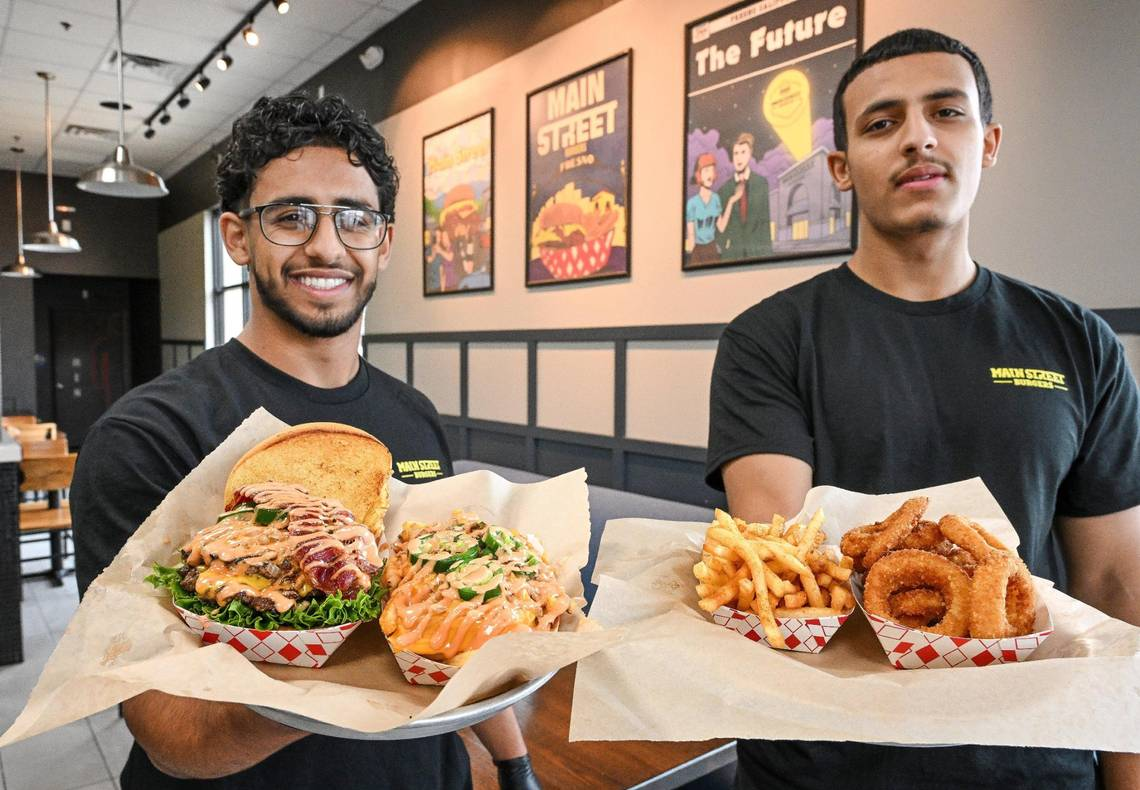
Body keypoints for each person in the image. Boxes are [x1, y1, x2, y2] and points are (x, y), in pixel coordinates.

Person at [706, 28, 1139, 790]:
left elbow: (1116, 585)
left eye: (947, 112)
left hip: (1034, 759)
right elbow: (783, 565)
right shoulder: (768, 339)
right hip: (820, 764)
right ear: (839, 167)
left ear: (989, 141)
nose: (917, 138)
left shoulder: (1079, 343)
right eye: (881, 123)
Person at [72, 93, 540, 790]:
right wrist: (331, 646)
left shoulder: (414, 416)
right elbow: (172, 738)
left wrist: (512, 760)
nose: (326, 245)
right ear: (237, 236)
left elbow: (446, 639)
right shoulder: (147, 437)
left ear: (382, 241)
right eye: (291, 217)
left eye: (354, 219)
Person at [715, 132, 771, 260]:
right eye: (736, 153)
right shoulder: (724, 190)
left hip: (757, 255)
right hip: (732, 256)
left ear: (750, 154)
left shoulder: (761, 184)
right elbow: (719, 229)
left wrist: (767, 256)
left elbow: (764, 225)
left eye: (743, 152)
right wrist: (726, 246)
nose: (739, 158)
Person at [685, 152, 723, 265]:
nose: (710, 174)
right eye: (706, 170)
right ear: (698, 174)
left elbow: (721, 227)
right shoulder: (692, 203)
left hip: (712, 249)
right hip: (698, 250)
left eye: (712, 170)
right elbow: (691, 236)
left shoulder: (716, 199)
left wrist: (730, 202)